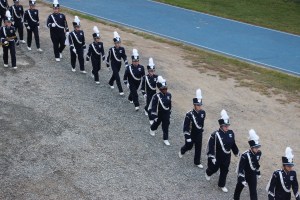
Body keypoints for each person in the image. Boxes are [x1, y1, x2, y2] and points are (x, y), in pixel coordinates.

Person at [205, 109, 239, 193]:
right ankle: (208, 172)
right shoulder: (215, 134)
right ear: (221, 126)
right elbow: (211, 146)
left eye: (228, 125)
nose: (227, 127)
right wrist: (212, 156)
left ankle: (221, 184)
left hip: (227, 156)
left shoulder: (231, 133)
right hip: (218, 156)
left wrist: (236, 152)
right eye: (225, 125)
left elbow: (233, 143)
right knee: (214, 169)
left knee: (225, 170)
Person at [179, 89, 206, 169]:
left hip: (199, 133)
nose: (199, 106)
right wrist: (187, 137)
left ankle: (197, 162)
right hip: (191, 133)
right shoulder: (189, 114)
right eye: (198, 105)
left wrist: (201, 130)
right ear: (194, 105)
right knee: (189, 146)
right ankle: (182, 150)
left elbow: (201, 124)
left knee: (198, 147)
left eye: (200, 105)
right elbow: (186, 126)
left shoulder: (203, 113)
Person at [233, 129, 262, 200]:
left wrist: (258, 172)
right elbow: (241, 168)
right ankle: (235, 198)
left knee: (253, 191)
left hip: (252, 175)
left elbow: (256, 163)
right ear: (251, 147)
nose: (257, 149)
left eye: (258, 147)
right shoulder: (244, 155)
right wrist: (242, 178)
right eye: (256, 147)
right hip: (245, 174)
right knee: (239, 187)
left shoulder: (259, 153)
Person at [149, 76, 172, 146]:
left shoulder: (169, 95)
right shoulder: (156, 96)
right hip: (159, 113)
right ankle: (152, 129)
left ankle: (165, 139)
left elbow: (169, 104)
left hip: (166, 113)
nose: (165, 89)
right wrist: (154, 116)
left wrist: (169, 111)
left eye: (166, 88)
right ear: (160, 89)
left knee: (166, 125)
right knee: (157, 123)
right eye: (163, 88)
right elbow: (154, 107)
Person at [106, 31, 128, 96]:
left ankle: (110, 82)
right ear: (114, 43)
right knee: (117, 77)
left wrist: (126, 63)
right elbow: (108, 57)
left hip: (119, 64)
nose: (117, 44)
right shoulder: (111, 49)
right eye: (116, 43)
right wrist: (108, 65)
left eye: (118, 43)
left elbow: (124, 56)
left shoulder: (122, 49)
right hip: (113, 64)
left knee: (114, 75)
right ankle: (121, 91)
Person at [140, 57, 158, 124]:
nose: (152, 72)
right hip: (148, 94)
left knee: (152, 106)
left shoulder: (157, 77)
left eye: (153, 71)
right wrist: (144, 94)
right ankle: (151, 118)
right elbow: (142, 88)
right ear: (148, 71)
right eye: (150, 71)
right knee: (149, 106)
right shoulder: (145, 78)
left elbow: (159, 86)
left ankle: (146, 109)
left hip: (154, 93)